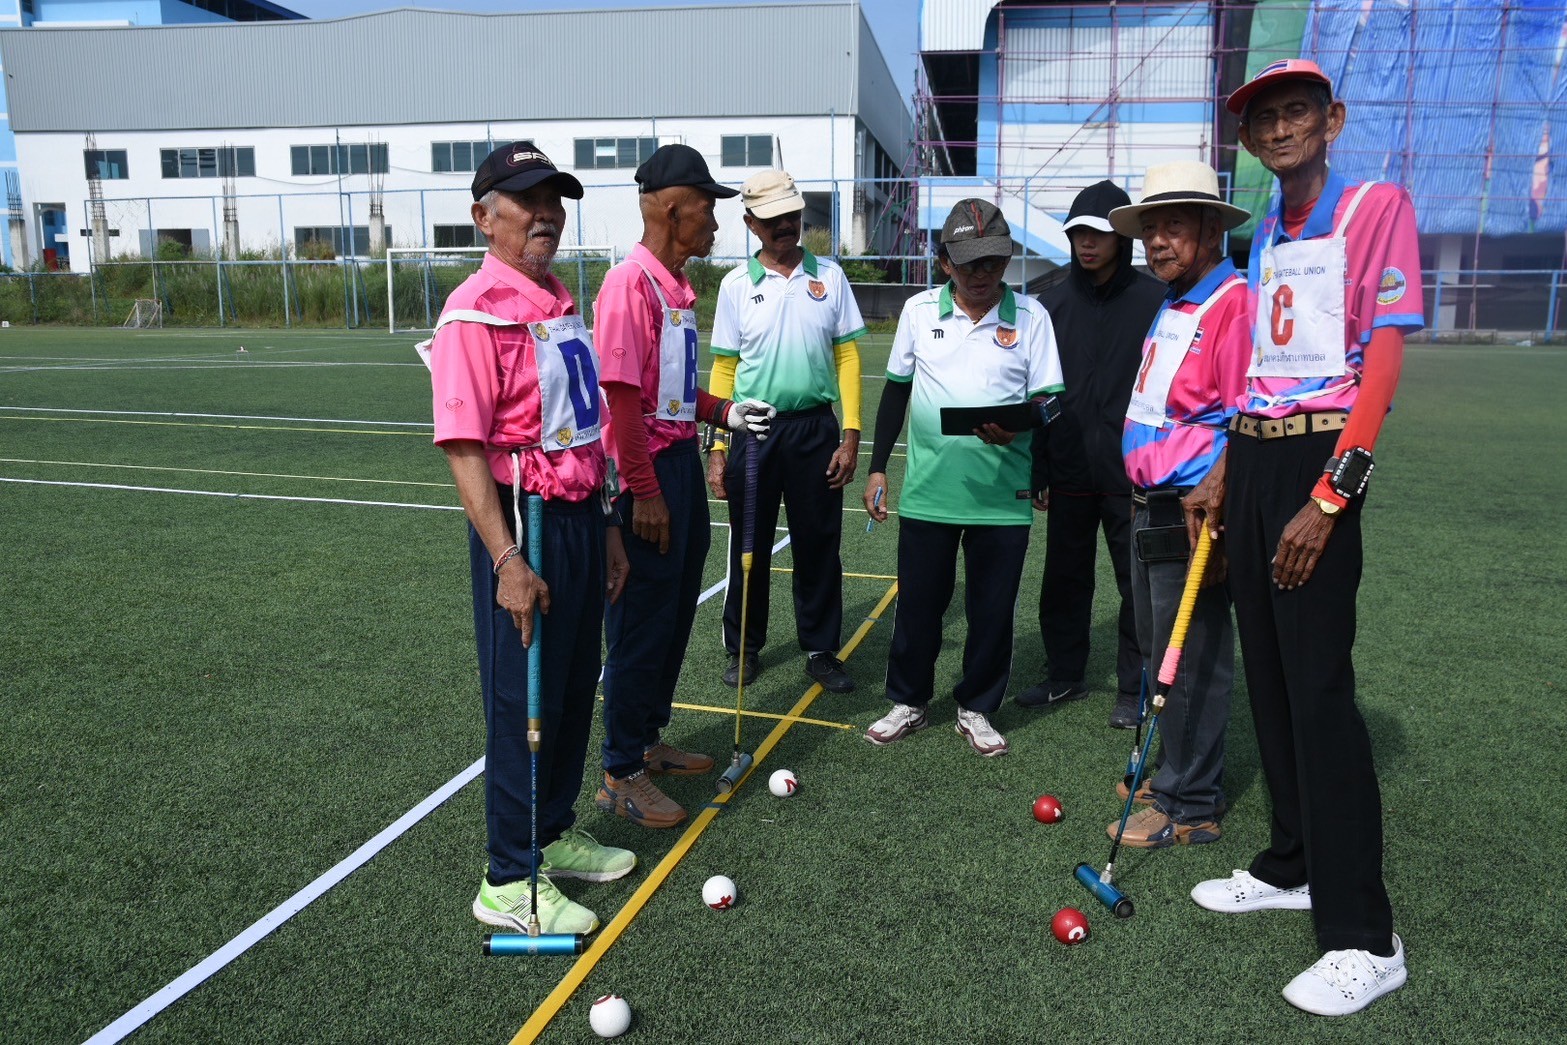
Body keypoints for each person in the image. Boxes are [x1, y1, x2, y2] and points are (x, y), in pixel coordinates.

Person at [1185, 59, 1424, 1016]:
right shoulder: (1267, 235)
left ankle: (1366, 935)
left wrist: (1331, 497)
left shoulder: (1373, 206)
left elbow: (1385, 358)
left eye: (1296, 113)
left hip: (1320, 462)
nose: (1279, 129)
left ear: (1331, 119)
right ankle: (1292, 861)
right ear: (1248, 141)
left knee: (1318, 689)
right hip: (1254, 456)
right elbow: (1262, 366)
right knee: (1270, 677)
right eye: (1263, 120)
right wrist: (1225, 468)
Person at [424, 141, 633, 936]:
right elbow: (463, 447)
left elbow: (582, 426)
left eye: (554, 200)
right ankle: (508, 877)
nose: (546, 214)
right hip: (525, 525)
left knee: (576, 684)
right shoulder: (472, 311)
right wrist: (507, 557)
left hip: (577, 518)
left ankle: (551, 831)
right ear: (484, 216)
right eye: (527, 201)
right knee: (524, 702)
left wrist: (606, 524)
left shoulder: (556, 299)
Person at [594, 144, 775, 829]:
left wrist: (725, 412)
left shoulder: (673, 286)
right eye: (707, 208)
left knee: (671, 615)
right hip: (647, 472)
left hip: (677, 466)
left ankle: (646, 740)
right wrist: (643, 491)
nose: (716, 222)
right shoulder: (628, 285)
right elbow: (622, 399)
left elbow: (670, 392)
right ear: (672, 210)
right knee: (641, 621)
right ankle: (620, 770)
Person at [862, 199, 1064, 757]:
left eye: (993, 261)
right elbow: (896, 392)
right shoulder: (917, 311)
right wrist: (878, 467)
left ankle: (976, 707)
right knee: (919, 607)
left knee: (992, 611)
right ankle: (909, 701)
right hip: (929, 492)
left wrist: (1021, 430)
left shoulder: (1033, 316)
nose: (982, 274)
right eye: (969, 262)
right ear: (944, 261)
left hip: (1003, 496)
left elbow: (1052, 403)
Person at [1101, 161, 1251, 848]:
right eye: (1150, 229)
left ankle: (1189, 802)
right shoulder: (1177, 300)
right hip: (1151, 504)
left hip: (1191, 510)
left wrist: (1217, 502)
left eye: (1174, 226)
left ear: (1211, 229)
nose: (1157, 241)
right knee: (1159, 648)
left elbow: (1249, 418)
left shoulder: (1232, 304)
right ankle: (1172, 771)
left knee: (1189, 658)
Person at [706, 169, 868, 693]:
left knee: (819, 545)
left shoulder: (831, 277)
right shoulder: (735, 285)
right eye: (773, 218)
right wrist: (718, 445)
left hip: (816, 430)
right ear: (751, 223)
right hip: (752, 432)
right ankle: (744, 648)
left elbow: (847, 357)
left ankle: (821, 650)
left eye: (792, 215)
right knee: (748, 546)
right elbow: (724, 368)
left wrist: (850, 435)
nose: (785, 226)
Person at [1018, 181, 1167, 726]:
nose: (1087, 242)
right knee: (1065, 578)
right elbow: (1038, 394)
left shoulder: (1157, 301)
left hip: (1136, 474)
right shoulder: (1050, 306)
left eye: (1099, 233)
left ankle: (1133, 686)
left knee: (1137, 583)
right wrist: (1039, 465)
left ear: (1122, 237)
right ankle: (1064, 674)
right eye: (1079, 232)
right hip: (1070, 468)